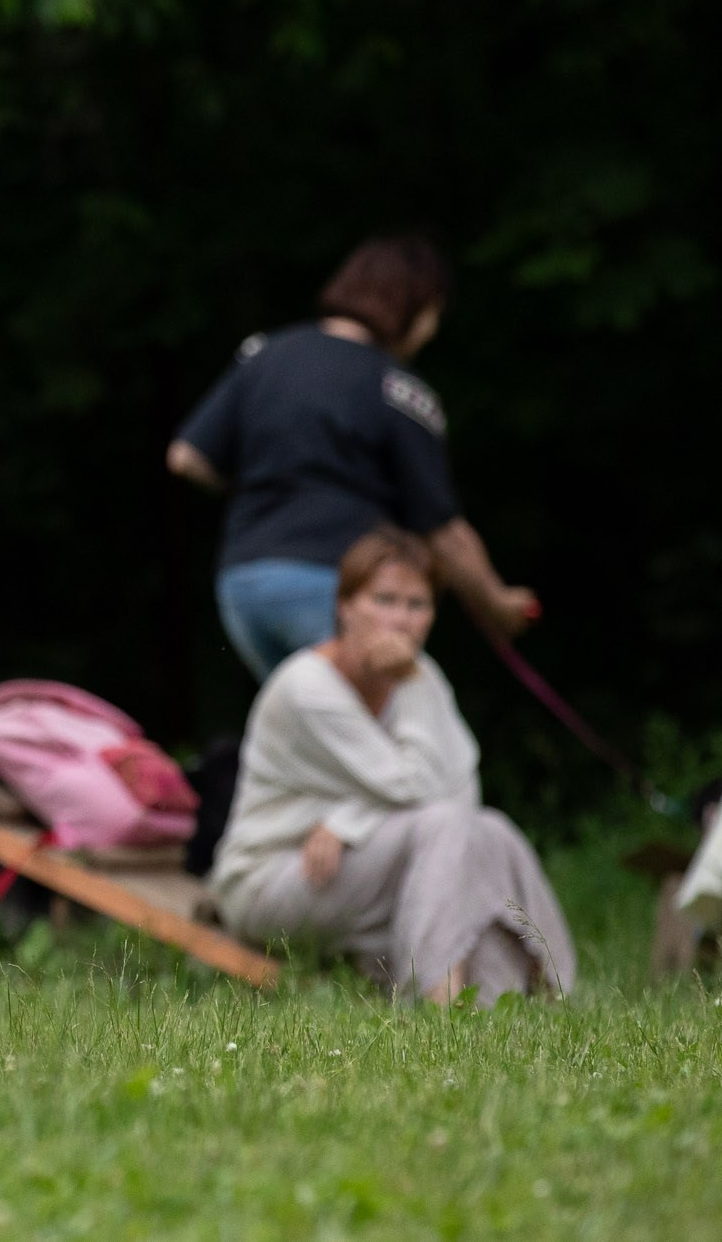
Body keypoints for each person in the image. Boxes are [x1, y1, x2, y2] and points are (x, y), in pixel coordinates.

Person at [209, 527, 575, 1005]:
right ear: (344, 607)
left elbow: (464, 789)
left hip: (361, 864)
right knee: (447, 827)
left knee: (490, 832)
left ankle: (521, 1002)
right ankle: (435, 1005)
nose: (400, 621)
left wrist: (347, 821)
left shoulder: (421, 676)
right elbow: (419, 788)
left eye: (416, 605)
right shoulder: (306, 687)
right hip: (274, 877)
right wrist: (409, 682)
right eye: (383, 600)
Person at [167, 234, 538, 682]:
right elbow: (444, 531)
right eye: (433, 313)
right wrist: (495, 603)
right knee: (382, 731)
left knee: (312, 731)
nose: (432, 330)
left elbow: (186, 457)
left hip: (243, 585)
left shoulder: (265, 353)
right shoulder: (397, 387)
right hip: (335, 585)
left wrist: (258, 485)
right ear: (413, 306)